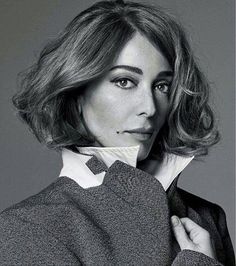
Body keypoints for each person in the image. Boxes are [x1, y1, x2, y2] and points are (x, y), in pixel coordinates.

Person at [0, 0, 234, 265]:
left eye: (162, 86)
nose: (149, 107)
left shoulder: (206, 217)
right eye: (124, 81)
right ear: (77, 91)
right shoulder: (29, 229)